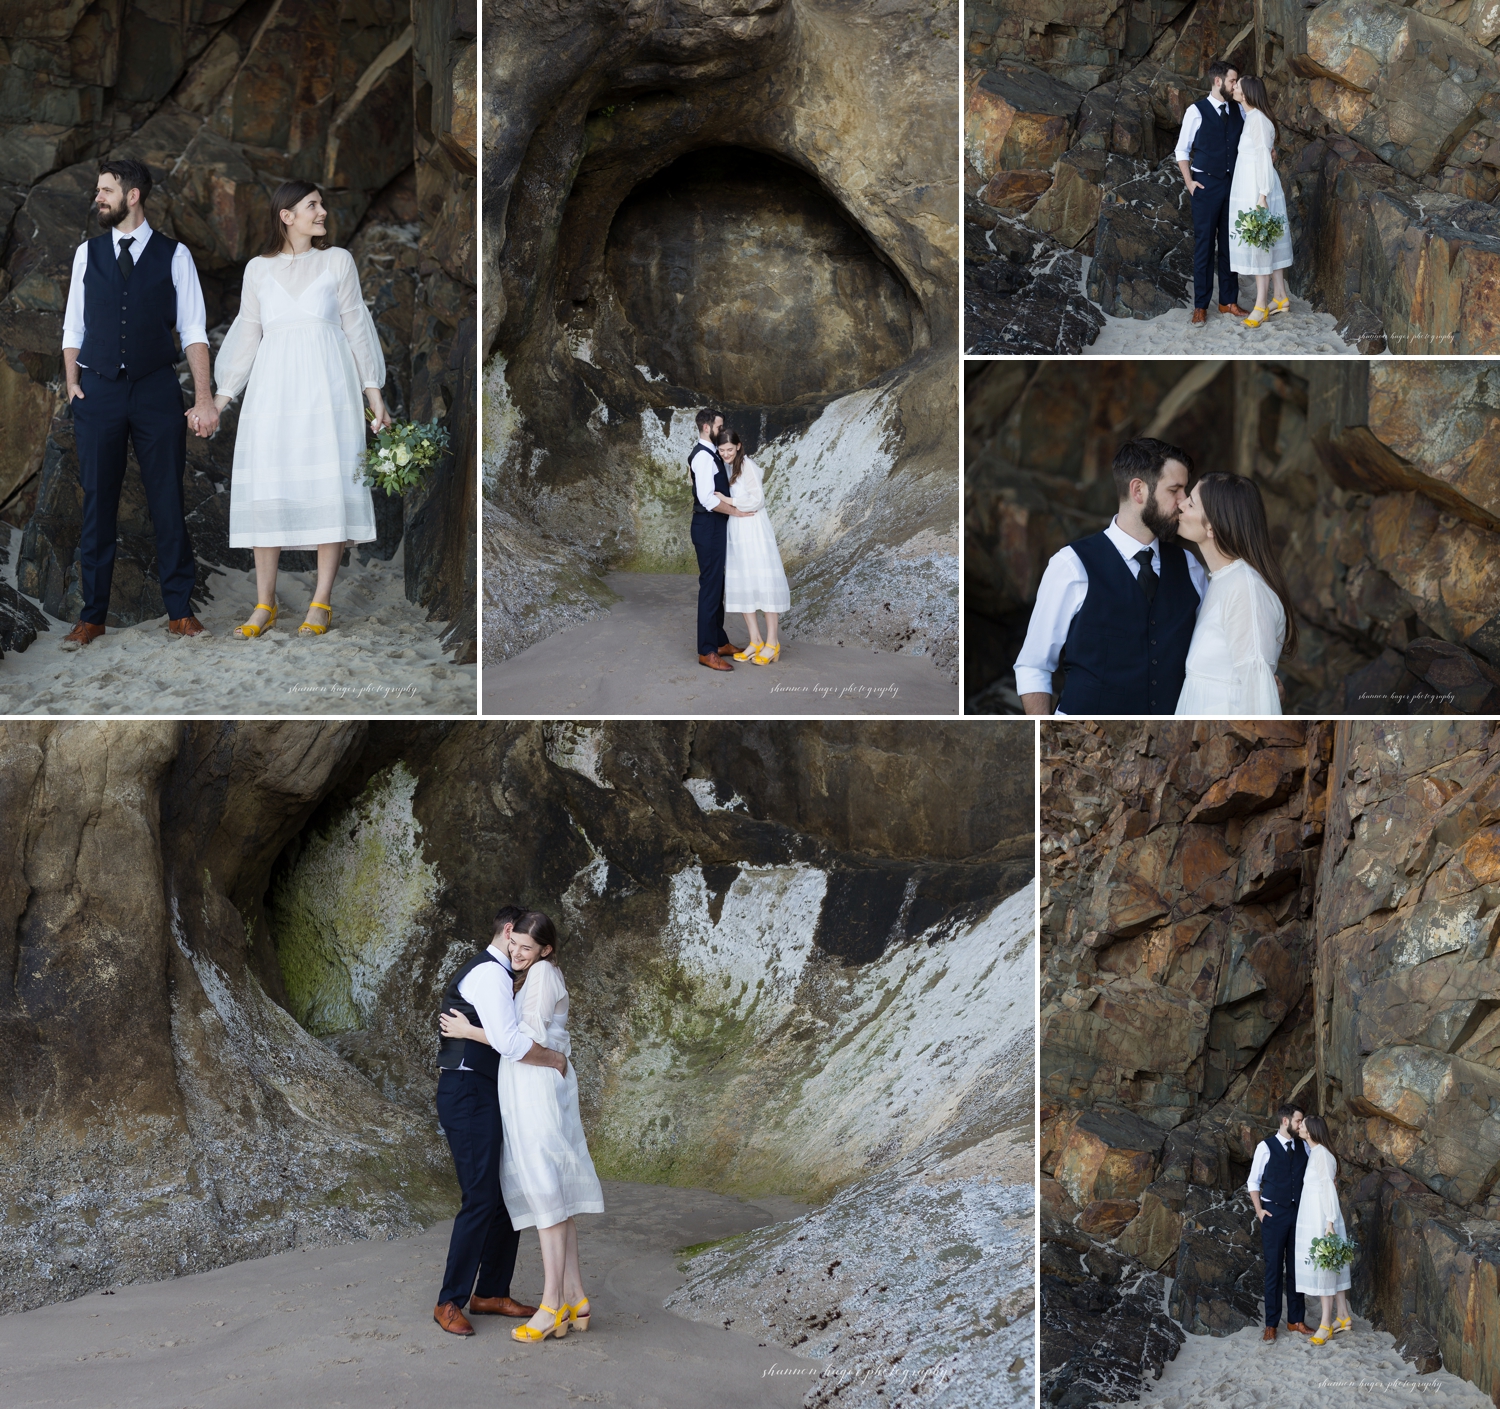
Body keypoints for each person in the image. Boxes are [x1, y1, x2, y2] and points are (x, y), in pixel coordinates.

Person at [209, 180, 392, 639]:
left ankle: (320, 601)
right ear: (286, 215)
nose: (323, 211)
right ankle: (264, 604)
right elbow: (247, 333)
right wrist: (221, 397)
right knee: (268, 489)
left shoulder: (337, 261)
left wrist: (375, 397)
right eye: (312, 205)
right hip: (273, 393)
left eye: (323, 204)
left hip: (327, 390)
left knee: (327, 482)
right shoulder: (257, 269)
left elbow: (357, 328)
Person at [60, 157, 218, 648]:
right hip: (98, 389)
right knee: (97, 504)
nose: (97, 197)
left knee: (167, 499)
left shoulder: (176, 255)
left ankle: (179, 611)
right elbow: (73, 327)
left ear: (132, 195)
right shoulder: (87, 253)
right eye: (97, 190)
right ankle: (93, 616)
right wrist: (72, 383)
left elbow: (193, 331)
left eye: (105, 190)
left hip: (155, 389)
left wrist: (204, 396)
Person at [441, 910, 604, 1344]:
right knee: (539, 1195)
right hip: (519, 1089)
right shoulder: (527, 974)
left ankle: (553, 1305)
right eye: (515, 944)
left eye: (526, 948)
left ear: (545, 949)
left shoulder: (542, 974)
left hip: (533, 1090)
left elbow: (517, 1039)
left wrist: (471, 1031)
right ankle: (572, 1296)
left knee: (546, 1194)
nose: (517, 952)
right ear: (507, 934)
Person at [1014, 439, 1207, 715]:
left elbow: (1214, 652)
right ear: (1138, 490)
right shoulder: (1070, 566)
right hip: (1080, 741)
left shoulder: (1190, 568)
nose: (1183, 502)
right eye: (1175, 490)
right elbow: (1033, 666)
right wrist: (1046, 736)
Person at [1172, 472, 1296, 715]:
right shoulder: (1222, 580)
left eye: (1192, 503)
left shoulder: (1245, 589)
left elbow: (1258, 693)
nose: (1181, 504)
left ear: (1213, 526)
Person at [1175, 60, 1250, 327]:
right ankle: (1200, 306)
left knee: (1230, 245)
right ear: (1218, 81)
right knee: (1204, 245)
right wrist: (1190, 183)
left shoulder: (1238, 110)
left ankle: (1227, 301)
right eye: (1232, 80)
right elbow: (1181, 151)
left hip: (1233, 186)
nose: (1235, 85)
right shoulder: (1196, 111)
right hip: (1205, 186)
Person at [688, 408, 754, 670]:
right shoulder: (703, 457)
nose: (722, 429)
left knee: (718, 587)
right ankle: (706, 651)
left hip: (714, 527)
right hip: (707, 527)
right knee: (710, 588)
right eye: (719, 426)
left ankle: (719, 641)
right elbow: (706, 499)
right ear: (707, 428)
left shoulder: (712, 454)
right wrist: (736, 511)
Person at [716, 429, 789, 664]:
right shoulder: (727, 465)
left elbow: (758, 499)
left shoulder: (746, 464)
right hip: (737, 528)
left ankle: (772, 642)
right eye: (721, 450)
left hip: (754, 528)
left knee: (763, 581)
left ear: (738, 446)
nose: (725, 454)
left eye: (729, 449)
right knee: (744, 583)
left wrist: (729, 500)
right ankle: (755, 640)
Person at [1227, 74, 1295, 329]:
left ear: (1246, 94)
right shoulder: (1252, 118)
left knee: (1261, 246)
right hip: (1252, 186)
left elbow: (1264, 160)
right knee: (1269, 242)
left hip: (1258, 189)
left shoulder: (1258, 120)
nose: (1234, 87)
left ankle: (1260, 306)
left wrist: (1262, 196)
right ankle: (1280, 297)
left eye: (1238, 85)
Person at [1247, 1102, 1315, 1342]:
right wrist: (1259, 1211)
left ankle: (1296, 1321)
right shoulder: (1265, 1147)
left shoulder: (1304, 1147)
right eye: (1298, 1121)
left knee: (1297, 1270)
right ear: (1285, 1121)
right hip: (1273, 1215)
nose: (1301, 1125)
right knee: (1273, 1269)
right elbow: (1253, 1182)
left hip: (1298, 1215)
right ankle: (1271, 1324)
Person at [1296, 1114, 1353, 1346]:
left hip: (1322, 1219)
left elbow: (1329, 1189)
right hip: (1315, 1216)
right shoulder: (1315, 1153)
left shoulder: (1321, 1154)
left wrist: (1329, 1223)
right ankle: (1343, 1316)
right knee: (1332, 1268)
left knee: (1325, 1270)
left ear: (1311, 1131)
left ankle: (1326, 1324)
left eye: (1303, 1124)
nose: (1299, 1126)